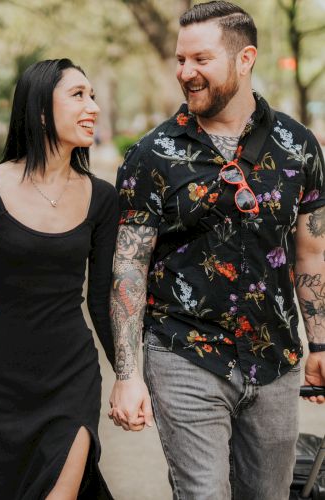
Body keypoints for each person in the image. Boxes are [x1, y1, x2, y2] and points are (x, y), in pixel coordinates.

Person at [109, 2, 325, 499]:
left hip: (274, 358)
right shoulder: (151, 154)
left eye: (201, 59)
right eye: (181, 60)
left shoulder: (299, 146)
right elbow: (128, 266)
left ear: (245, 58)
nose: (187, 73)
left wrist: (320, 344)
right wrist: (128, 374)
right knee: (204, 494)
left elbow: (311, 253)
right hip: (184, 353)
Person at [0, 58, 118, 499]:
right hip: (6, 384)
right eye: (78, 95)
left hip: (71, 379)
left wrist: (132, 378)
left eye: (92, 95)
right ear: (40, 111)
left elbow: (101, 301)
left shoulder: (101, 197)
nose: (92, 105)